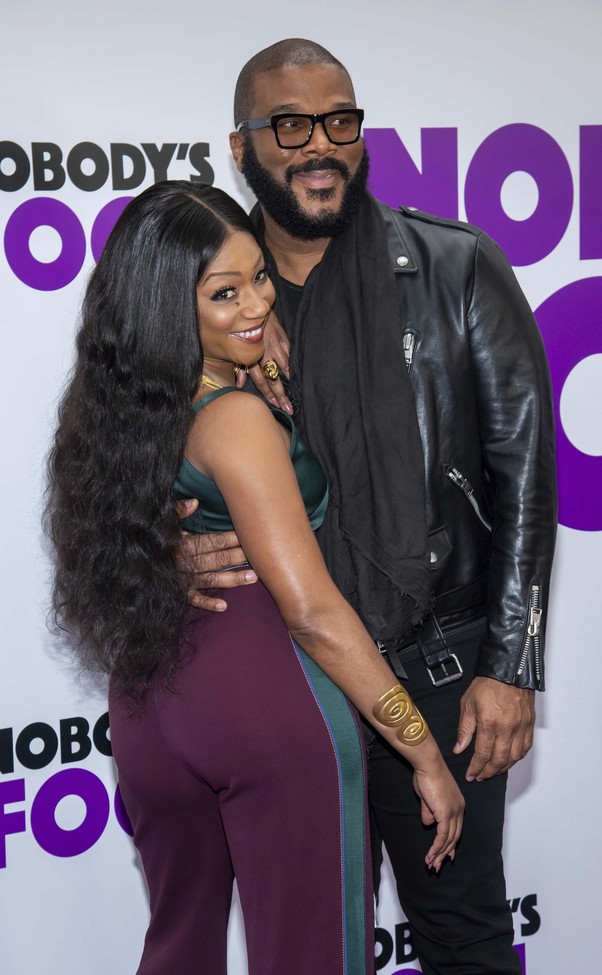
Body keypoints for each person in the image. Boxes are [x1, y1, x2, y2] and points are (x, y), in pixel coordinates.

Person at [181, 39, 558, 975]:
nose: (321, 145)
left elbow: (524, 474)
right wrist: (163, 548)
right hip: (290, 681)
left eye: (340, 120)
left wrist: (510, 663)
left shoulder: (455, 266)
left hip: (439, 666)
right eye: (292, 125)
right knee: (309, 947)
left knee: (464, 940)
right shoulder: (218, 303)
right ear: (241, 147)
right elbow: (145, 457)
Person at [45, 179, 464, 975]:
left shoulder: (122, 409)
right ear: (171, 305)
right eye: (224, 292)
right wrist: (422, 751)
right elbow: (312, 611)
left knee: (178, 952)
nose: (254, 305)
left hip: (151, 702)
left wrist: (254, 351)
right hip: (271, 704)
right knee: (312, 958)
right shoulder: (235, 420)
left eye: (259, 278)